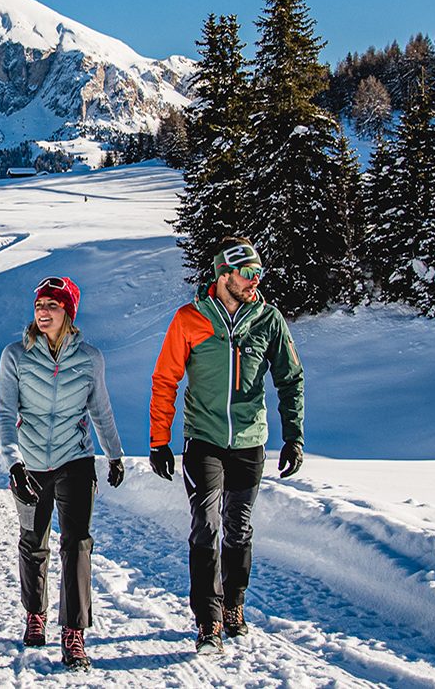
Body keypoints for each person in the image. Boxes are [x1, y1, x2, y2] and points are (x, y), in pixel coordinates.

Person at [146, 239, 305, 654]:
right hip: (204, 441)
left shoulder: (268, 320)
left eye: (259, 274)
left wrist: (294, 436)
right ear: (224, 275)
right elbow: (165, 380)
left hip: (251, 441)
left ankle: (234, 605)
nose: (256, 282)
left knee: (239, 527)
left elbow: (290, 380)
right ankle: (209, 621)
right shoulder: (190, 320)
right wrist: (159, 441)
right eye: (248, 274)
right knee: (207, 524)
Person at [0, 276, 125, 672]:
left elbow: (100, 410)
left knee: (77, 543)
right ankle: (35, 613)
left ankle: (74, 632)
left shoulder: (90, 359)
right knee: (34, 541)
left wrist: (114, 455)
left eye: (52, 305)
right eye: (39, 305)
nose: (43, 311)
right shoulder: (15, 356)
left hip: (75, 460)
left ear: (69, 312)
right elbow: (3, 412)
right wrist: (13, 463)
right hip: (29, 463)